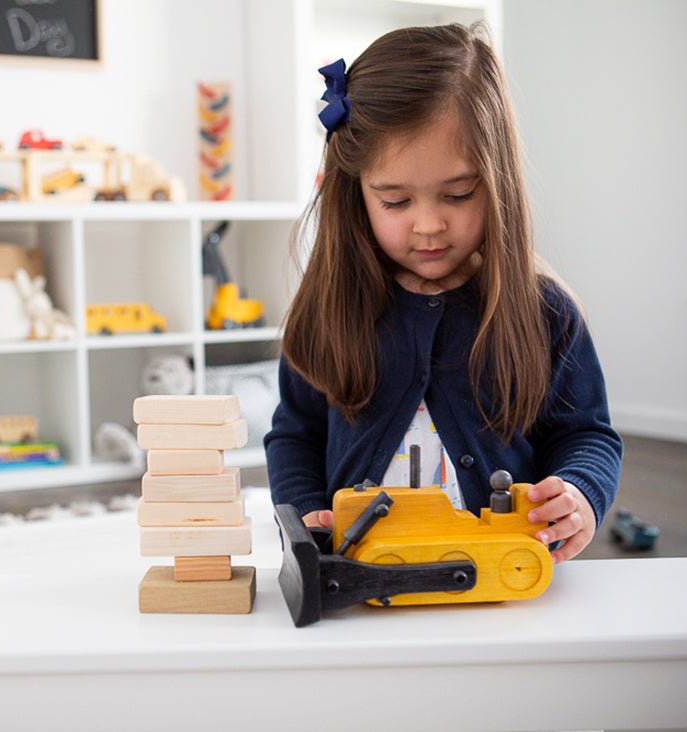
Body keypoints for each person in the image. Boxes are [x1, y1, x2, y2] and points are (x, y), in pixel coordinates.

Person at [264, 23, 623, 565]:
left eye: (457, 194)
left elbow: (587, 435)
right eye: (395, 201)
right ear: (355, 193)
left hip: (498, 574)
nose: (428, 225)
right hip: (361, 575)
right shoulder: (328, 312)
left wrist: (580, 494)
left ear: (496, 179)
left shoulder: (544, 313)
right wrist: (306, 514)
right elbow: (295, 436)